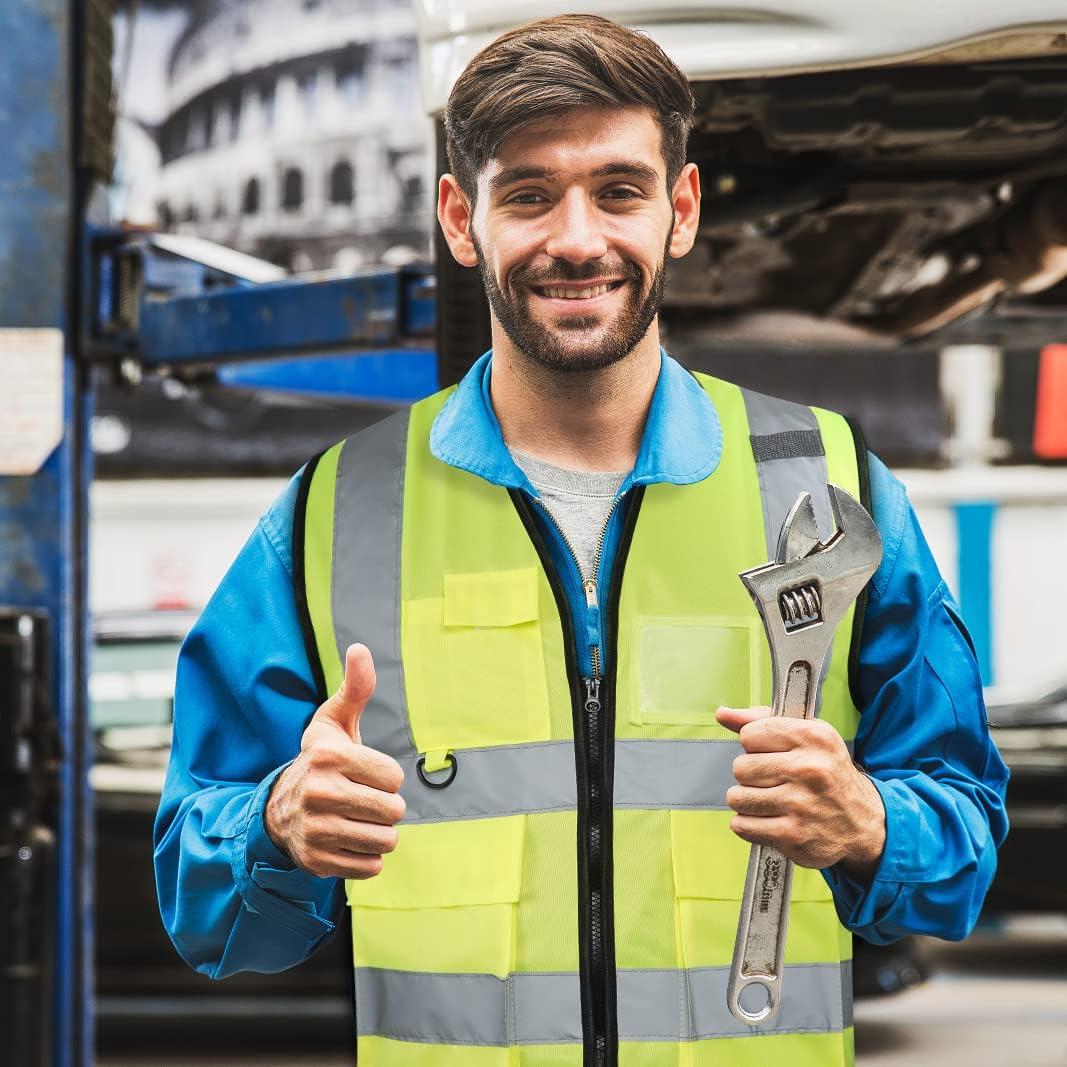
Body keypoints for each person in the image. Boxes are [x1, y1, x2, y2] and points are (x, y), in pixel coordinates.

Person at [155, 14, 1008, 1065]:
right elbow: (201, 905)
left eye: (617, 190)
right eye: (527, 193)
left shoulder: (828, 483)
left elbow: (962, 846)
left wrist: (871, 822)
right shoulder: (336, 509)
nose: (574, 237)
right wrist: (276, 823)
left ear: (678, 209)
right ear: (461, 219)